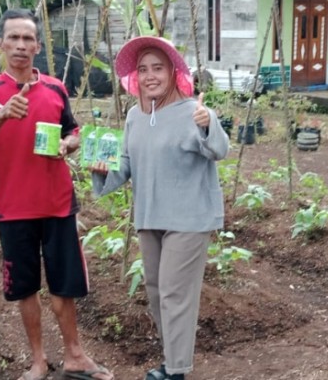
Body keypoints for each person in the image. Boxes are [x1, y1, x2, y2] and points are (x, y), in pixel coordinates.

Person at [0, 9, 113, 380]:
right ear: (1, 44)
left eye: (28, 39)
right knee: (26, 288)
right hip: (13, 209)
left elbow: (73, 132)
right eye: (13, 38)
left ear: (38, 45)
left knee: (65, 284)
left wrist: (68, 144)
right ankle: (39, 361)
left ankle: (75, 356)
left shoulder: (56, 88)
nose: (21, 46)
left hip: (58, 204)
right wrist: (3, 114)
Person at [90, 36, 229, 380]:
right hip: (150, 216)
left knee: (174, 291)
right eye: (143, 69)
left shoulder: (191, 112)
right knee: (155, 290)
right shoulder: (136, 115)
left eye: (158, 68)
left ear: (172, 71)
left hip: (189, 218)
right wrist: (102, 171)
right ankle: (171, 361)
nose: (150, 75)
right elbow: (125, 163)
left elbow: (219, 149)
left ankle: (177, 371)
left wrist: (208, 120)